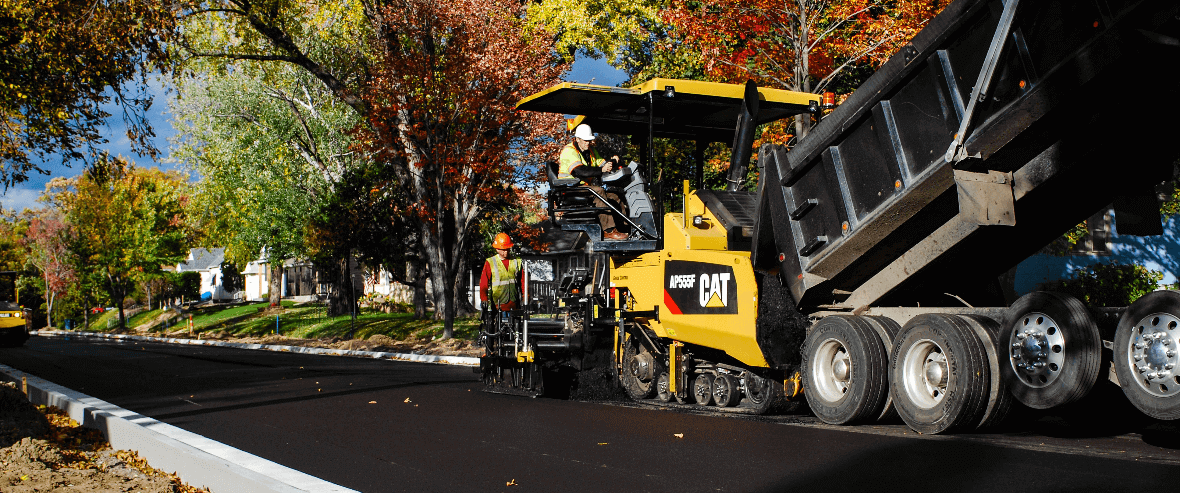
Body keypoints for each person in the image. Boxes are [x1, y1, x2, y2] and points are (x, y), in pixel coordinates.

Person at [557, 123, 629, 240]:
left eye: (589, 140)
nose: (588, 143)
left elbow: (603, 165)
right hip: (570, 189)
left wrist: (613, 161)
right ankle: (609, 231)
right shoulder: (569, 151)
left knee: (614, 196)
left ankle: (625, 227)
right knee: (599, 191)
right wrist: (601, 169)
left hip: (584, 189)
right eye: (585, 140)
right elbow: (580, 171)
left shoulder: (590, 152)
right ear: (577, 139)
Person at [480, 233, 524, 311]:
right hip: (497, 304)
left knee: (515, 322)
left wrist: (526, 297)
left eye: (507, 249)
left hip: (514, 303)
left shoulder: (517, 261)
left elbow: (523, 282)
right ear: (497, 249)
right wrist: (484, 298)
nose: (506, 252)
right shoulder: (490, 262)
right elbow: (484, 283)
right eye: (503, 250)